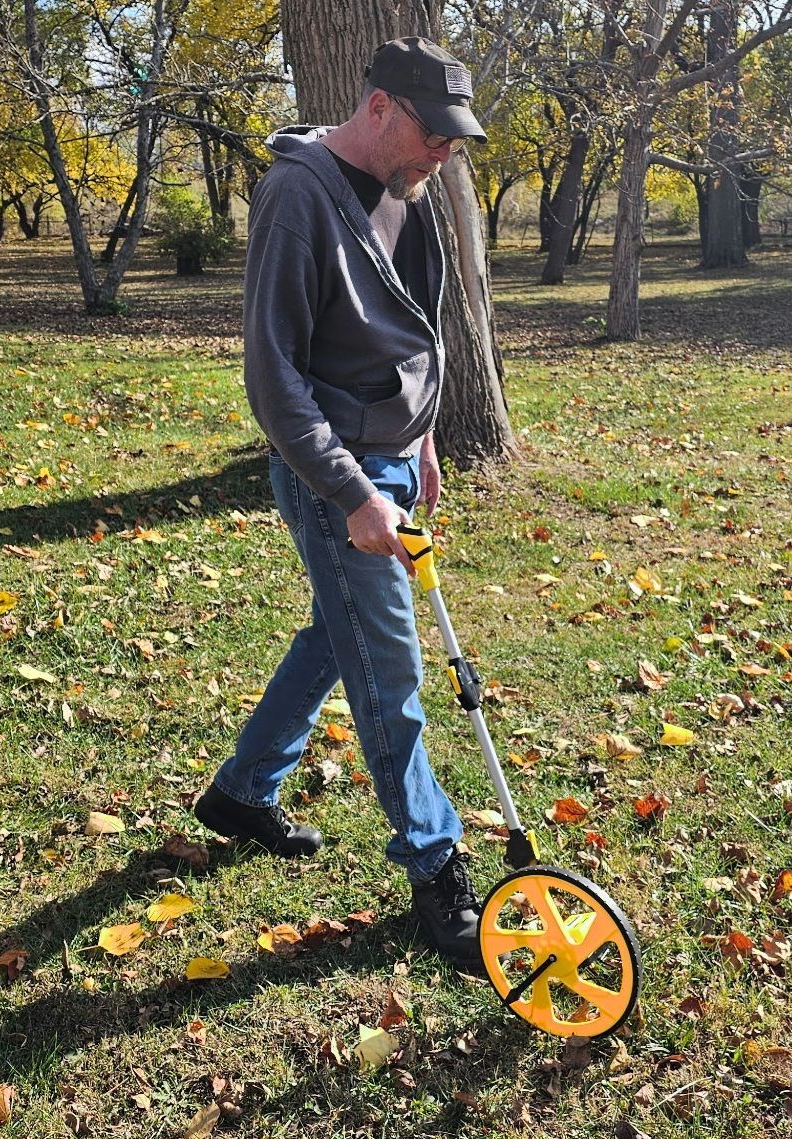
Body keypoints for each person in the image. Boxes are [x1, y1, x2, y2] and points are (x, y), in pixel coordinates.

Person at [193, 37, 488, 970]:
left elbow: (419, 325)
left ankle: (242, 791)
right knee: (389, 666)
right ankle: (435, 861)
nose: (443, 155)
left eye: (453, 140)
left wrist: (426, 434)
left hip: (395, 456)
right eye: (432, 135)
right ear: (378, 107)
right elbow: (273, 379)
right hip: (335, 475)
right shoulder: (297, 197)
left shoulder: (415, 187)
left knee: (341, 635)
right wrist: (357, 492)